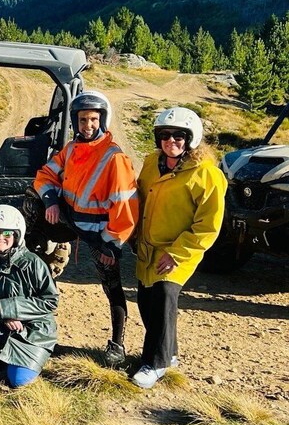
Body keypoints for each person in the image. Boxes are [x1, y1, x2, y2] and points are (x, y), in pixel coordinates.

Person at [33, 90, 138, 365]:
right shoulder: (71, 149)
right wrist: (51, 201)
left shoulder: (114, 157)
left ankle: (117, 345)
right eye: (82, 120)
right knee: (28, 204)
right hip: (71, 223)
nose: (87, 125)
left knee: (111, 288)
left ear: (103, 120)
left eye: (92, 119)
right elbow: (44, 175)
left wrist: (111, 245)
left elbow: (125, 208)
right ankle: (36, 327)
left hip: (100, 236)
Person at [131, 107, 226, 389]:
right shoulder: (151, 163)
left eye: (178, 136)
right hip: (147, 247)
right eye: (164, 135)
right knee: (148, 302)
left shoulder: (207, 175)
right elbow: (139, 197)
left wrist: (177, 253)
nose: (171, 141)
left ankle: (155, 364)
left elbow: (208, 225)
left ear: (191, 139)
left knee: (163, 296)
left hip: (179, 250)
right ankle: (169, 353)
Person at [0, 204, 58, 387]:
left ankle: (22, 359)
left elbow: (50, 302)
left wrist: (11, 308)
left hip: (33, 329)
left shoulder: (33, 263)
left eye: (7, 233)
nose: (0, 238)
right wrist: (3, 315)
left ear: (17, 235)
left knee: (19, 381)